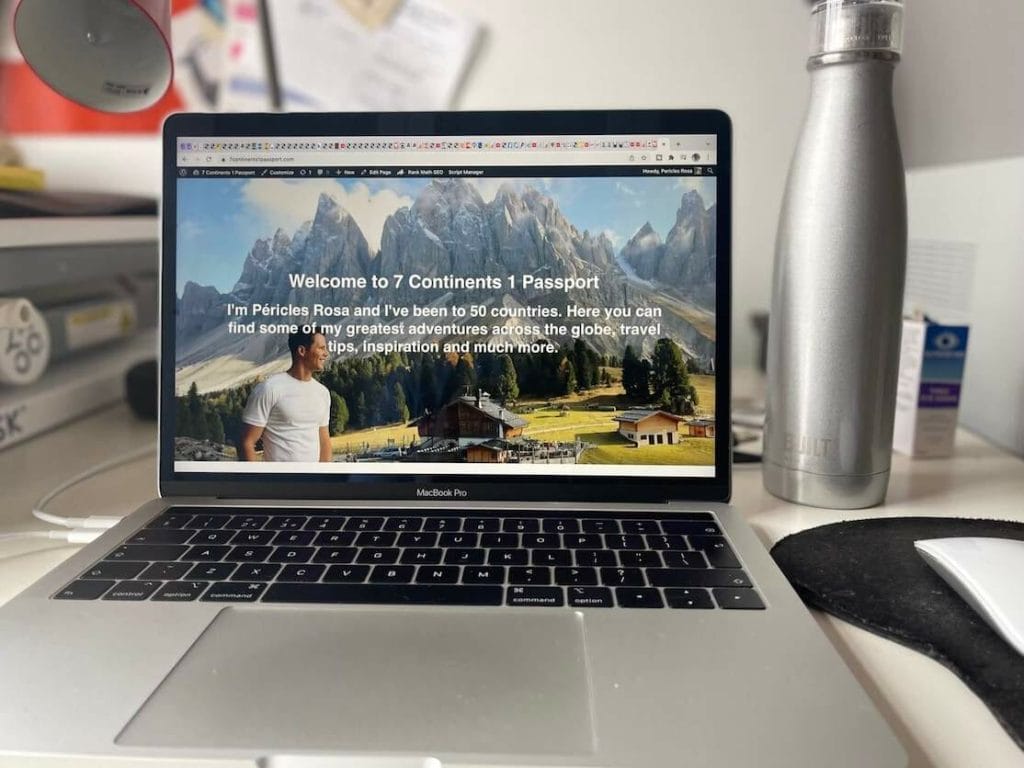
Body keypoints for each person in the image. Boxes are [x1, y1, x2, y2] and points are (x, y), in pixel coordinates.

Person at [239, 327, 332, 462]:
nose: (326, 354)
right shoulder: (269, 388)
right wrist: (257, 481)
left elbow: (324, 442)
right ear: (302, 351)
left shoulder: (323, 393)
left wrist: (325, 481)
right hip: (278, 482)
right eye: (321, 348)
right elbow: (246, 442)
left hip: (313, 482)